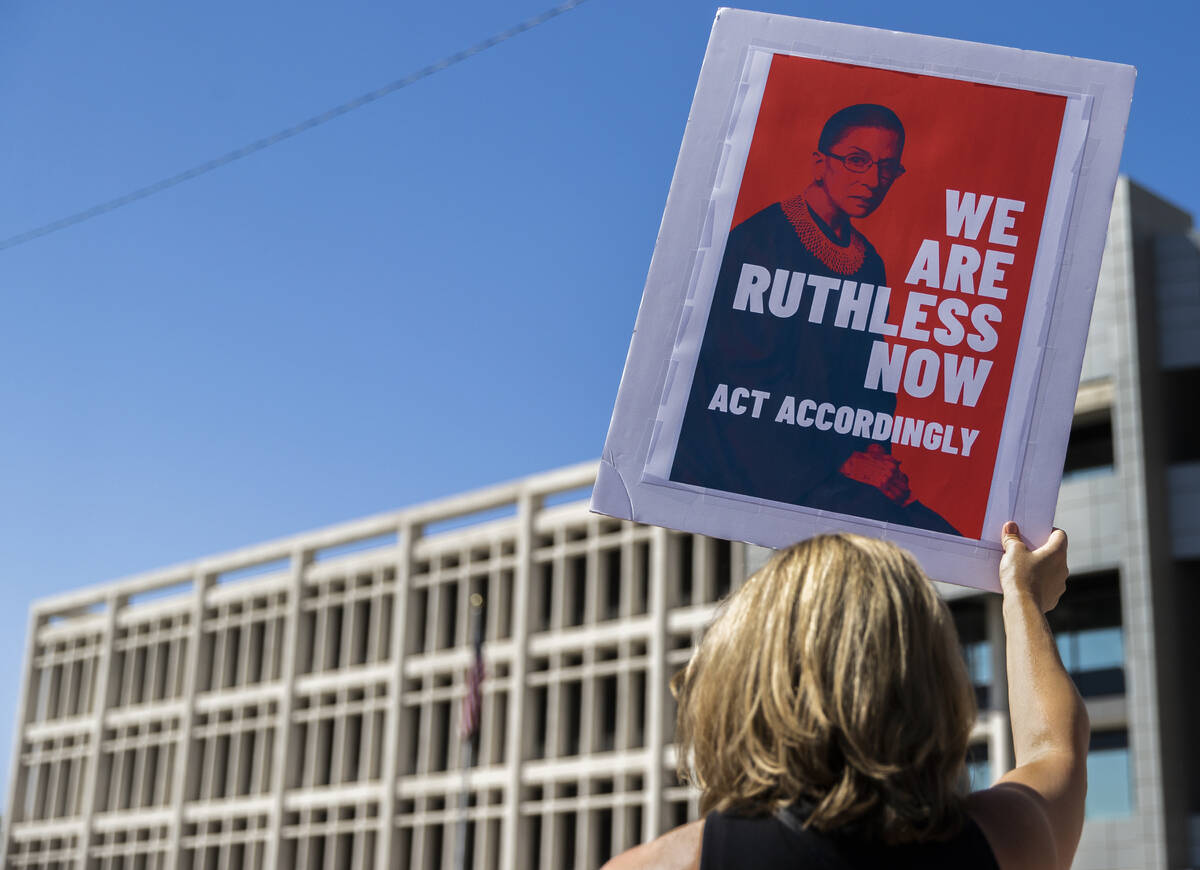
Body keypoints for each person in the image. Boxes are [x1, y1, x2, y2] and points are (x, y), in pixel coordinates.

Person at [602, 523, 1088, 870]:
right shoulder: (1006, 840)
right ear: (930, 678)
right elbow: (1054, 748)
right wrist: (1022, 597)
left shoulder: (666, 863)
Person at [671, 104, 957, 535]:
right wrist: (846, 458)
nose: (873, 180)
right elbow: (743, 382)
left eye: (887, 167)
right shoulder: (761, 242)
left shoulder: (868, 262)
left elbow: (869, 378)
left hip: (835, 462)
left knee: (938, 537)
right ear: (820, 162)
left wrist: (876, 454)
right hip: (760, 462)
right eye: (857, 160)